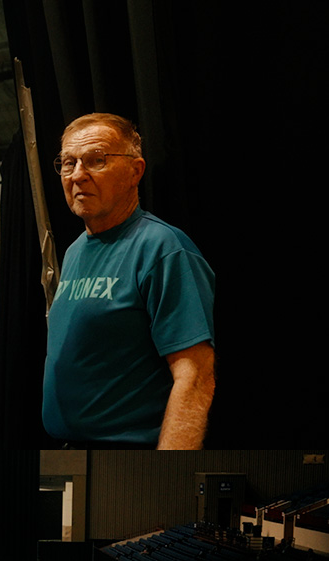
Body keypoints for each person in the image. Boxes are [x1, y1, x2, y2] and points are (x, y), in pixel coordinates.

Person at [42, 113, 215, 451]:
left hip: (129, 461)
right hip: (72, 454)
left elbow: (195, 377)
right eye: (68, 163)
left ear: (135, 171)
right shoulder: (76, 250)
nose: (78, 175)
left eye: (96, 160)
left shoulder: (164, 249)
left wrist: (165, 477)